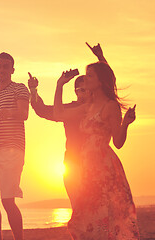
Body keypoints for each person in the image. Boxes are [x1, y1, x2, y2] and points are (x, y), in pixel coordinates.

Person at [53, 60, 139, 239]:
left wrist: (125, 124)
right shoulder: (87, 107)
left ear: (100, 81)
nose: (86, 78)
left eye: (90, 75)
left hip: (104, 169)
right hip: (85, 168)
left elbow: (118, 142)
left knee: (104, 218)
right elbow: (58, 114)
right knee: (83, 218)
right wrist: (59, 85)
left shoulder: (110, 106)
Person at [26, 42, 106, 209]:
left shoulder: (98, 108)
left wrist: (101, 58)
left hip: (96, 163)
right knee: (79, 209)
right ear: (76, 91)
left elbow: (107, 85)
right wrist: (34, 91)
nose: (85, 93)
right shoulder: (69, 109)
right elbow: (42, 110)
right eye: (81, 90)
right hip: (73, 164)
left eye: (88, 90)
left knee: (98, 209)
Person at [0, 53, 30, 240]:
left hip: (12, 149)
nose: (1, 70)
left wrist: (9, 112)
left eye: (5, 66)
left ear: (12, 70)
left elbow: (24, 113)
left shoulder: (19, 88)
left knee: (8, 200)